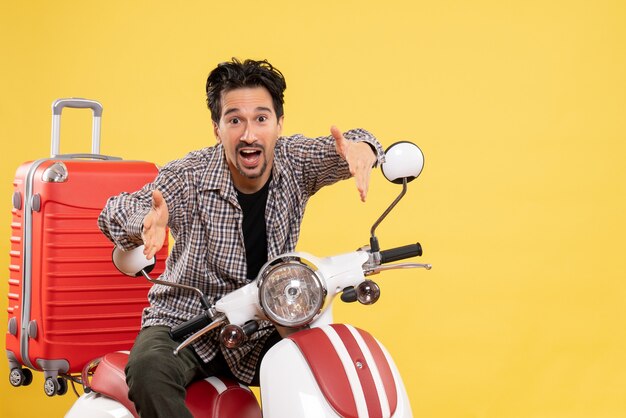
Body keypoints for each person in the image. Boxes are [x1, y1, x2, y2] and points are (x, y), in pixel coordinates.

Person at [98, 58, 384, 417]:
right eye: (235, 120)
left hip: (265, 324)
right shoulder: (189, 175)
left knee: (330, 359)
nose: (249, 134)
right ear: (217, 128)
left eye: (261, 118)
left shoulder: (295, 162)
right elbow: (115, 210)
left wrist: (365, 150)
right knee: (148, 370)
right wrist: (145, 222)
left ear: (279, 124)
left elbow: (353, 143)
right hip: (187, 323)